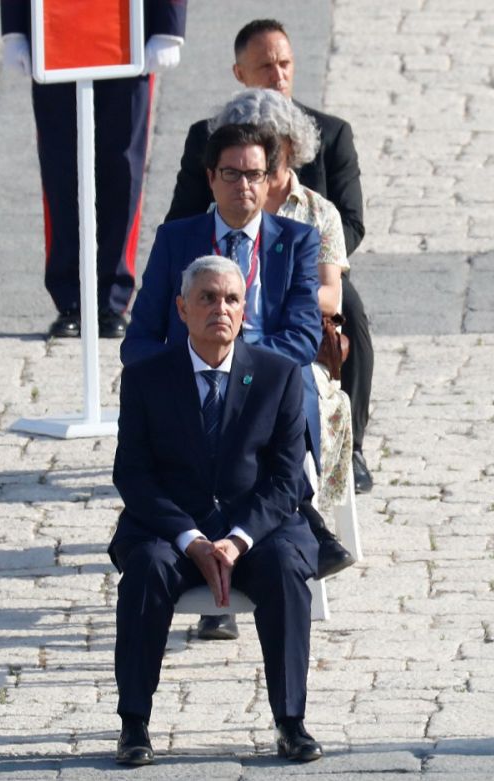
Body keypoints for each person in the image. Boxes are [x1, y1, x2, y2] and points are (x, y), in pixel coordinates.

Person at [110, 254, 321, 766]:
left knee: (287, 569)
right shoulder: (147, 377)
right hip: (174, 530)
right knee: (147, 569)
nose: (219, 309)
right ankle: (134, 724)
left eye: (231, 299)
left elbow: (286, 478)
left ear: (244, 310)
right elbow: (133, 475)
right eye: (206, 298)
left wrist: (238, 539)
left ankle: (290, 722)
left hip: (255, 530)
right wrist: (191, 539)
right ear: (181, 309)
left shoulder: (278, 376)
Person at [164, 18, 376, 494]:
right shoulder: (208, 137)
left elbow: (351, 220)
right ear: (240, 73)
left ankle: (351, 445)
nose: (279, 75)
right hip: (227, 265)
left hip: (313, 265)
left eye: (285, 64)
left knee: (352, 312)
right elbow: (179, 221)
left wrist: (312, 264)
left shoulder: (331, 133)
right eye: (265, 66)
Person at [206, 88, 357, 545]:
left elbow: (331, 296)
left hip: (287, 342)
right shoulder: (221, 214)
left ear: (292, 148)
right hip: (226, 344)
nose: (264, 162)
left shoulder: (315, 214)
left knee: (295, 381)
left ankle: (294, 504)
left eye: (273, 147)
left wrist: (286, 303)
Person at [0, 0, 186, 340]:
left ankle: (112, 299)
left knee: (123, 164)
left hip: (126, 24)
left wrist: (168, 25)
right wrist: (15, 26)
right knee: (60, 164)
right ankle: (70, 297)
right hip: (54, 24)